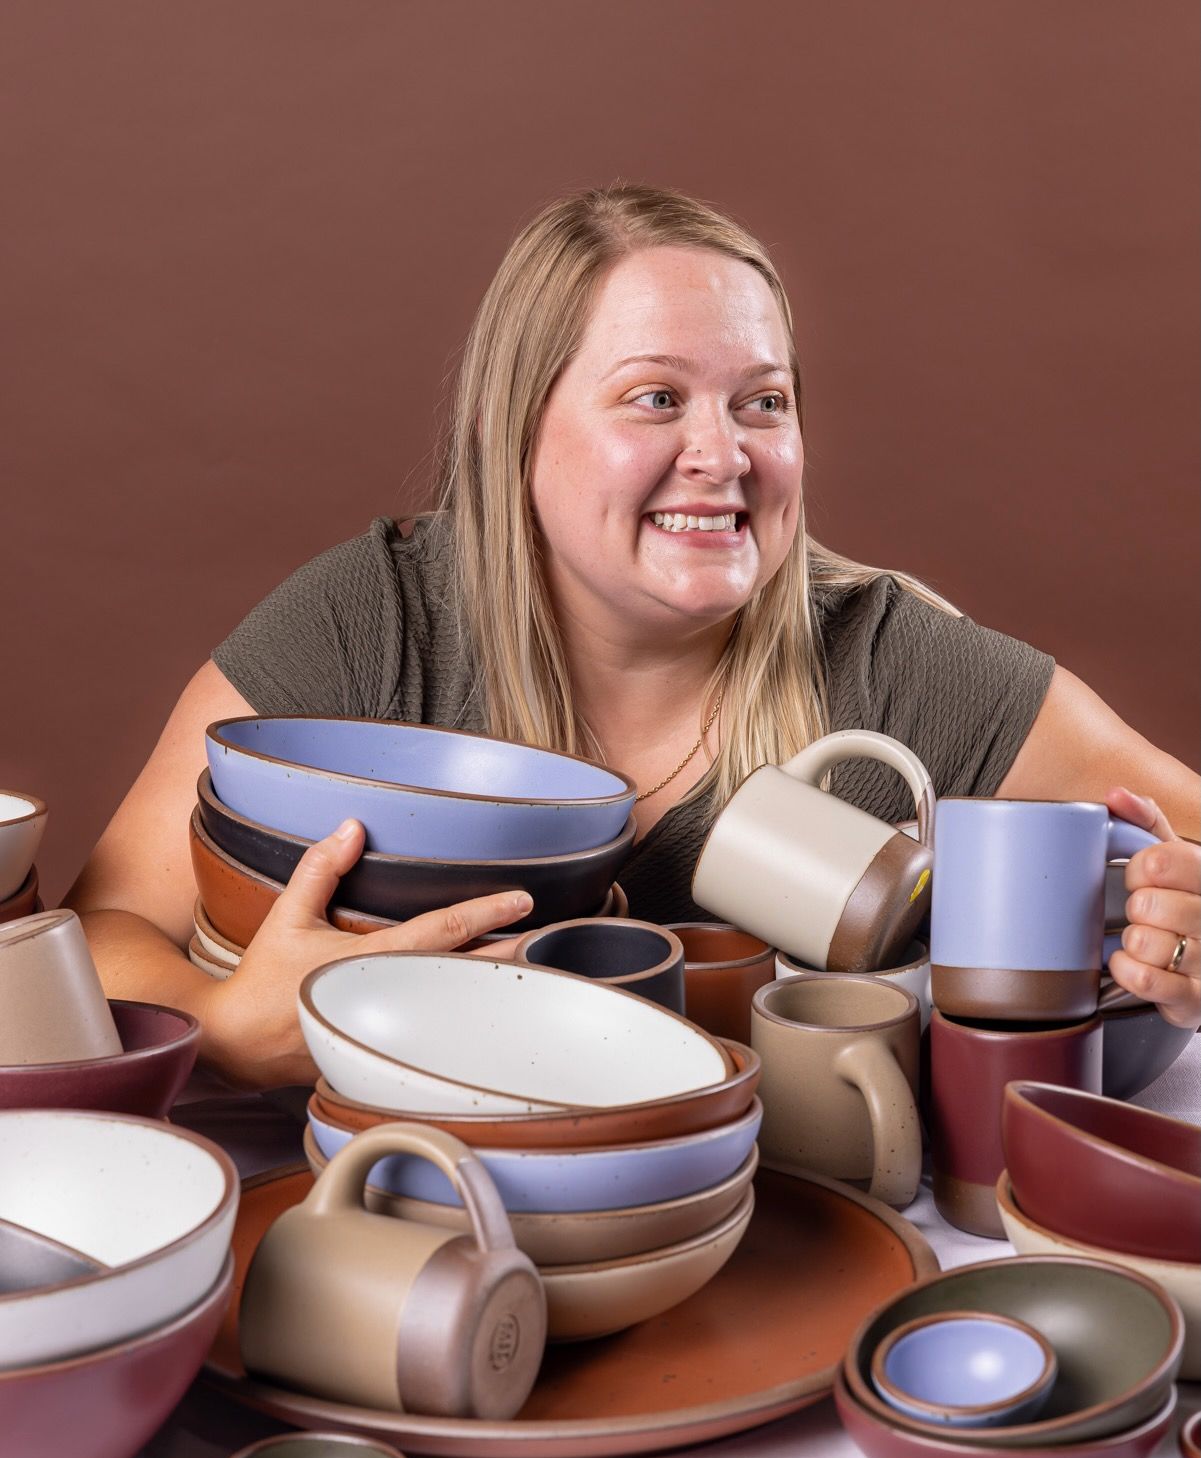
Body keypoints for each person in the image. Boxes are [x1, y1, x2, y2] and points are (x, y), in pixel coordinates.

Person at [67, 185, 1200, 1090]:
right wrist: (224, 1024)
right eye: (656, 398)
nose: (723, 454)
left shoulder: (892, 660)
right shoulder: (376, 621)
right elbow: (106, 926)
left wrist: (1184, 930)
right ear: (516, 432)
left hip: (804, 1254)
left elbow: (1181, 848)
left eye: (762, 401)